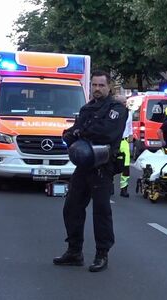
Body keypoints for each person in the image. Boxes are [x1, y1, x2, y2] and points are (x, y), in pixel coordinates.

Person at [54, 71, 127, 273]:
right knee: (72, 207)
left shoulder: (117, 108)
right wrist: (71, 134)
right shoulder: (87, 108)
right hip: (84, 165)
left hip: (102, 166)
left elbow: (107, 132)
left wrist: (82, 131)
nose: (97, 89)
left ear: (109, 87)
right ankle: (74, 251)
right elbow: (75, 130)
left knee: (101, 212)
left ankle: (102, 254)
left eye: (101, 85)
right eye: (94, 85)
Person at [119, 99, 133, 198]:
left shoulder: (129, 113)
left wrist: (131, 135)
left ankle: (124, 188)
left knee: (126, 166)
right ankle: (110, 186)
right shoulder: (112, 112)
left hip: (124, 141)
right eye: (122, 102)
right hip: (114, 141)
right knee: (110, 164)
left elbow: (129, 126)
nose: (124, 104)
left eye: (125, 102)